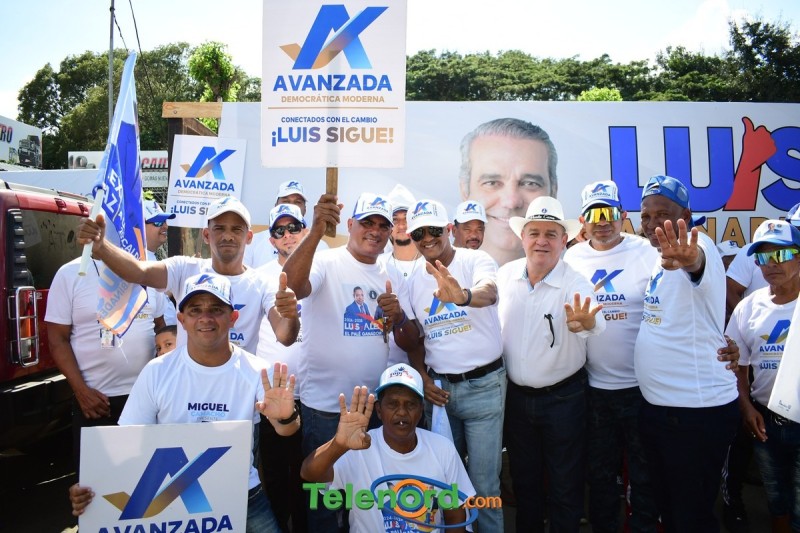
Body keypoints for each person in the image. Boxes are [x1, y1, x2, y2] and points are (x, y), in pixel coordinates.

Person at [68, 273, 300, 532]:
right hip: (171, 503)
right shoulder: (156, 372)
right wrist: (94, 486)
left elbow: (286, 429)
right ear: (182, 320)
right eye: (195, 310)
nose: (205, 318)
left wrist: (286, 417)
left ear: (233, 317)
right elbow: (127, 442)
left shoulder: (259, 371)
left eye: (216, 309)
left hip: (242, 495)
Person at [282, 192, 418, 530]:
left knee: (365, 500)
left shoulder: (392, 272)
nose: (375, 231)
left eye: (383, 225)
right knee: (325, 502)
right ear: (351, 224)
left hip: (374, 410)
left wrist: (399, 316)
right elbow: (293, 286)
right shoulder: (326, 261)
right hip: (325, 409)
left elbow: (408, 339)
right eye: (367, 222)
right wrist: (316, 230)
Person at [634, 175, 740, 532]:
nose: (652, 224)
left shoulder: (697, 246)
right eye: (646, 216)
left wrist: (690, 258)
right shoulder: (657, 258)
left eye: (663, 214)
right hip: (662, 411)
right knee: (670, 510)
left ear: (686, 217)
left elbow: (696, 262)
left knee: (691, 517)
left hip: (695, 414)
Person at [497, 196, 605, 533]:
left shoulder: (576, 282)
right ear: (523, 237)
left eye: (550, 234)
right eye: (534, 233)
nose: (541, 241)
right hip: (517, 400)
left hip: (564, 400)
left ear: (564, 240)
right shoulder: (505, 276)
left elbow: (594, 321)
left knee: (565, 485)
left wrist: (587, 323)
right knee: (525, 482)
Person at [77, 195, 300, 354]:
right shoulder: (185, 269)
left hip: (239, 392)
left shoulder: (262, 283)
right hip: (188, 389)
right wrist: (102, 247)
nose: (228, 236)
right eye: (219, 228)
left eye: (236, 229)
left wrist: (291, 316)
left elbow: (285, 336)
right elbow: (139, 272)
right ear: (206, 235)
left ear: (249, 237)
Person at [400, 198, 505, 532]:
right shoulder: (411, 280)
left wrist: (462, 297)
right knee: (446, 485)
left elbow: (490, 292)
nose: (427, 238)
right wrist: (422, 376)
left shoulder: (475, 260)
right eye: (419, 233)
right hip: (439, 393)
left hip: (484, 387)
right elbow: (415, 340)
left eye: (433, 230)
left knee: (484, 486)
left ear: (448, 229)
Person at [563, 181, 660, 533]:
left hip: (643, 388)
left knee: (645, 473)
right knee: (601, 475)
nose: (603, 221)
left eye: (609, 212)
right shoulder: (571, 258)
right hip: (594, 390)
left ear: (623, 215)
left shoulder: (647, 251)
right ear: (582, 221)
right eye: (594, 214)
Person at [300, 364, 476, 532]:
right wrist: (338, 444)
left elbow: (456, 516)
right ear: (379, 410)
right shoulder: (358, 448)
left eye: (410, 404)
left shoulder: (443, 449)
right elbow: (309, 474)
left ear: (421, 410)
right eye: (392, 404)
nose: (402, 412)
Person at [45, 253, 165, 470]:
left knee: (145, 479)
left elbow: (160, 328)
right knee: (98, 482)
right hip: (96, 403)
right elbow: (57, 339)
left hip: (146, 400)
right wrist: (81, 391)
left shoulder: (149, 269)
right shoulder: (70, 273)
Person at [726, 219, 800, 533]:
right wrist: (746, 408)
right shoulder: (747, 308)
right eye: (763, 257)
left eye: (781, 254)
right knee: (776, 498)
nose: (771, 264)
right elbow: (738, 367)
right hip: (765, 420)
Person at [256, 203, 311, 533]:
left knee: (310, 483)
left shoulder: (321, 270)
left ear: (305, 231)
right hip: (273, 399)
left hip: (315, 398)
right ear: (271, 240)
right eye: (280, 230)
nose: (287, 234)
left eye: (294, 227)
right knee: (276, 481)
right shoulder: (258, 277)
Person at [459, 117, 558, 266]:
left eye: (530, 183)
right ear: (465, 191)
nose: (511, 202)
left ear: (553, 192)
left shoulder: (580, 275)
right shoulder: (427, 274)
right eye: (491, 183)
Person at [379, 184, 425, 366]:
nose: (401, 225)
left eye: (406, 219)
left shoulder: (432, 264)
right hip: (387, 366)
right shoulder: (378, 265)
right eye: (395, 220)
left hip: (431, 367)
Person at [244, 180, 328, 268]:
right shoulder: (253, 242)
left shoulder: (321, 247)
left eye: (297, 202)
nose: (291, 206)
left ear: (305, 209)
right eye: (286, 201)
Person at [143, 199, 177, 326]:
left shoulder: (150, 257)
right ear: (139, 225)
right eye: (158, 222)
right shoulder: (136, 261)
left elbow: (156, 297)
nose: (165, 226)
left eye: (165, 221)